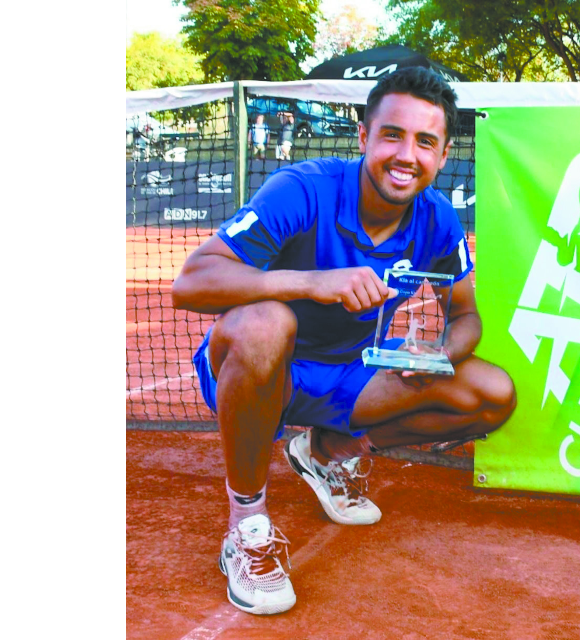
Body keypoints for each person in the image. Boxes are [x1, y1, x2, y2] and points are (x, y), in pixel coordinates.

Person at [171, 67, 516, 616]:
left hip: (351, 375)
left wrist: (436, 355)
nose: (407, 154)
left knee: (491, 391)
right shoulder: (303, 189)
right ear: (363, 137)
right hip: (263, 369)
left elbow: (467, 317)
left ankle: (328, 450)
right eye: (392, 135)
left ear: (444, 154)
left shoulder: (439, 221)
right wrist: (310, 283)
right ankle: (246, 526)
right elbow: (191, 283)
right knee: (266, 324)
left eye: (426, 141)